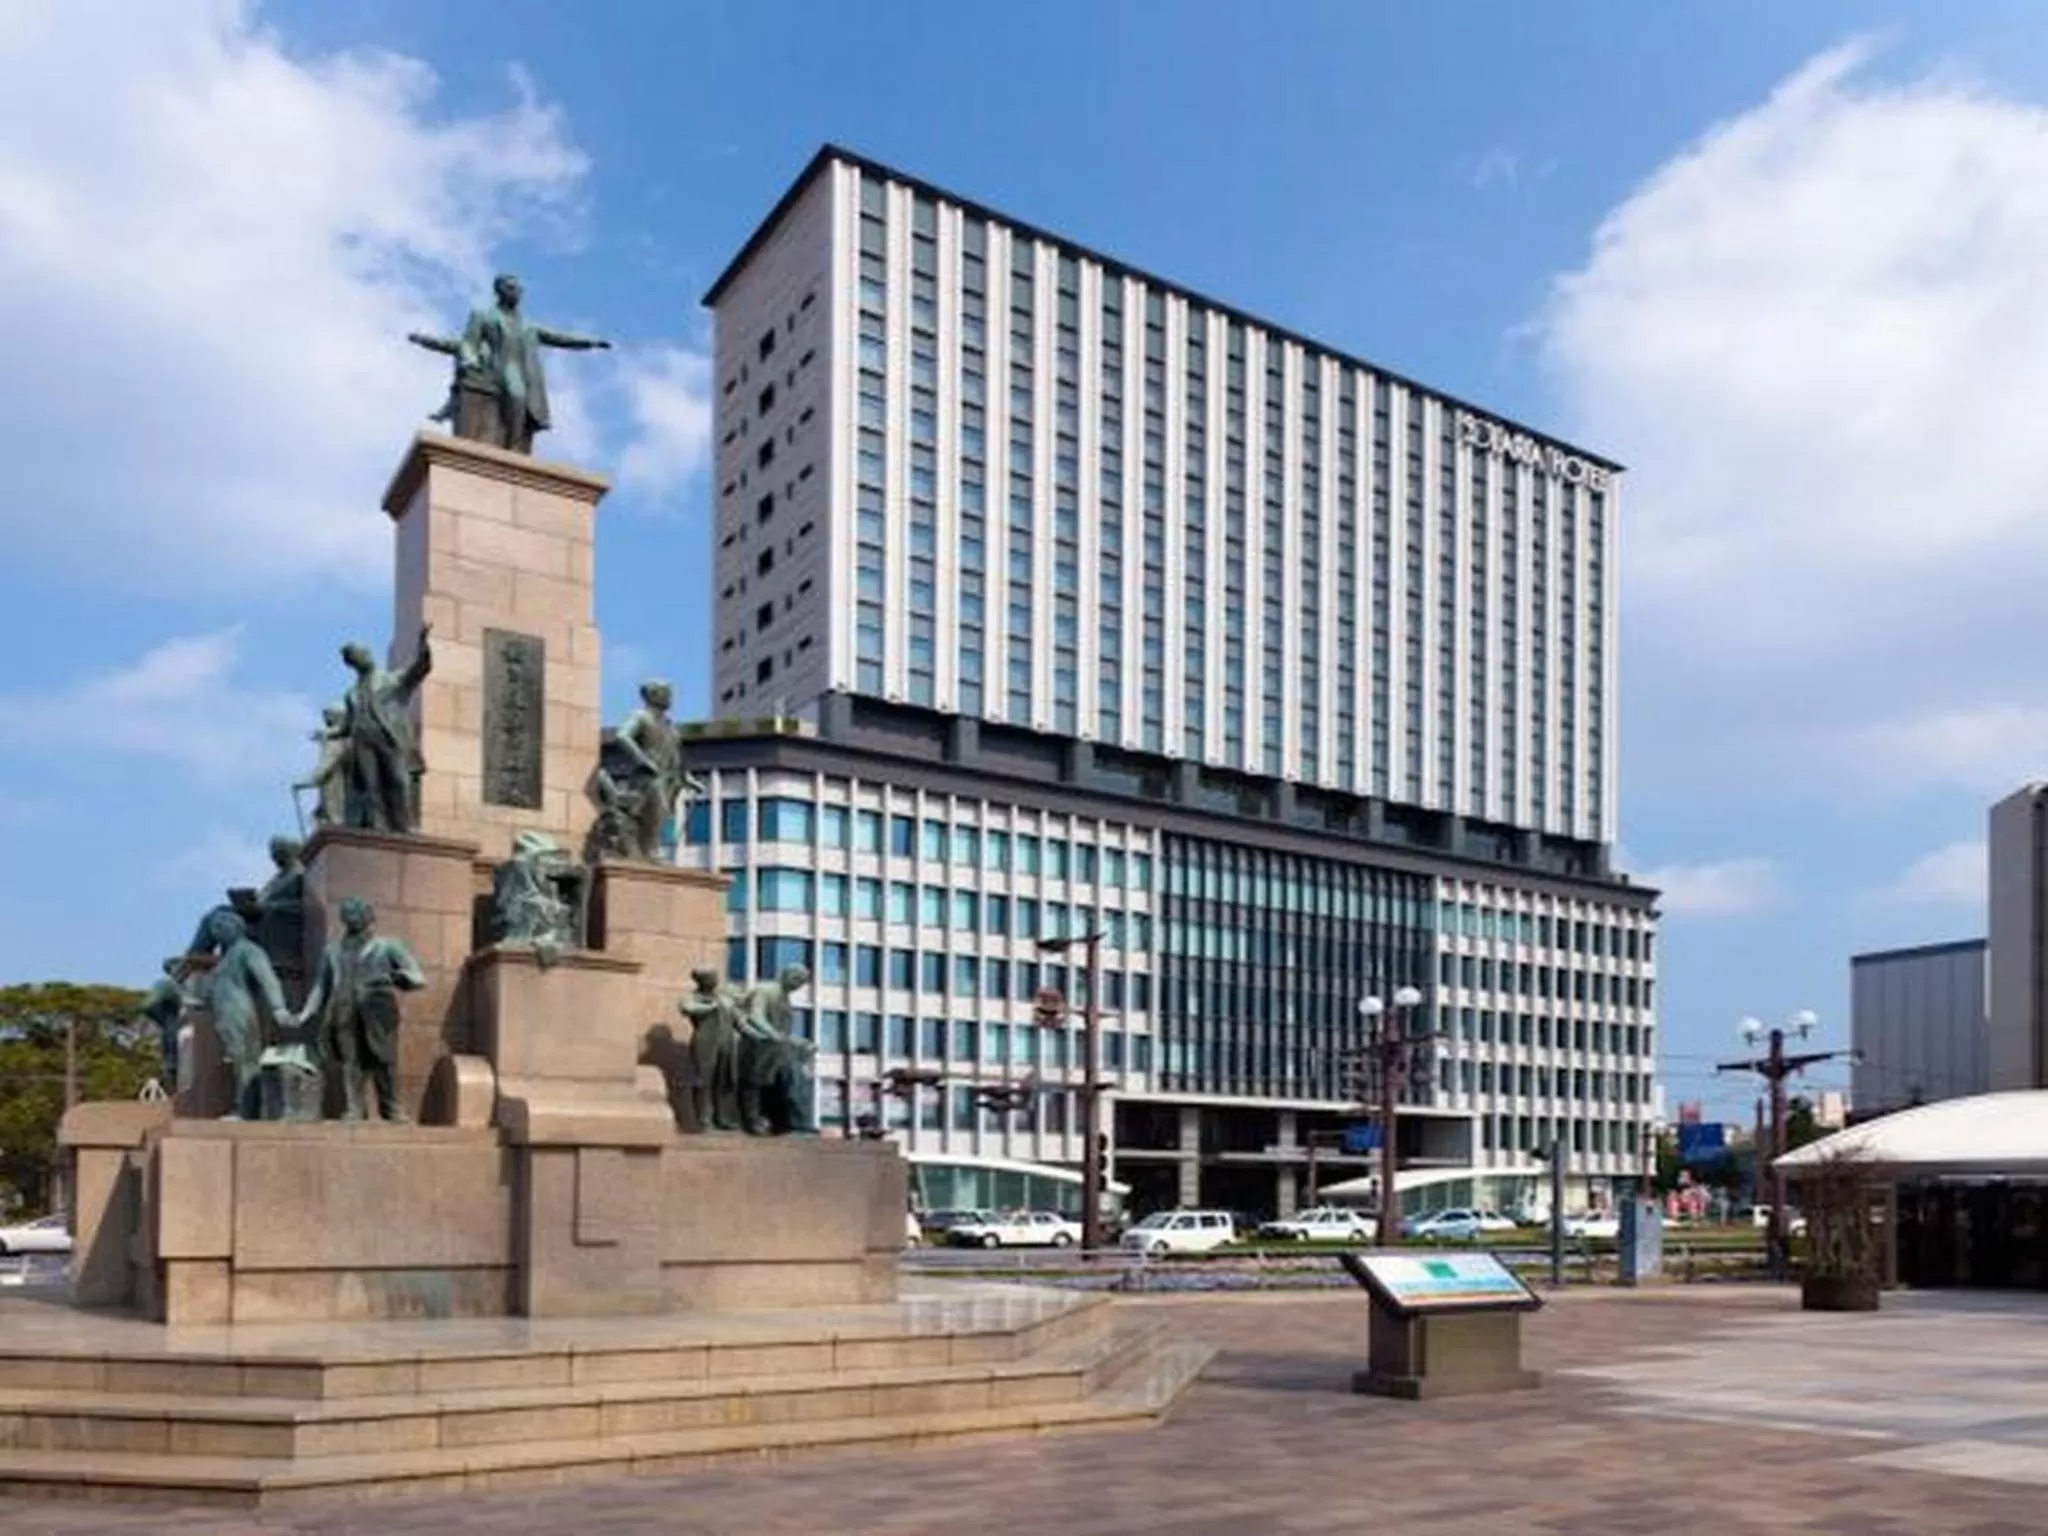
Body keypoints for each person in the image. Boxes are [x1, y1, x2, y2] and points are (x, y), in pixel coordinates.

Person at [299, 897, 426, 1122]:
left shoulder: (388, 946)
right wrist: (306, 1012)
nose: (352, 918)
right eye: (347, 914)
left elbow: (417, 976)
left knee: (384, 1059)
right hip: (343, 1009)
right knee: (351, 1061)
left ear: (368, 916)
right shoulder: (332, 951)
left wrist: (398, 977)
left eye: (357, 913)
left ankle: (391, 1107)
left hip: (378, 1011)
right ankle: (355, 1108)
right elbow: (321, 985)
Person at [456, 274, 611, 454]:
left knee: (523, 398)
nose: (517, 292)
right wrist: (470, 360)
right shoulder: (483, 315)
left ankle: (516, 446)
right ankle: (512, 445)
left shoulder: (529, 326)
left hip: (524, 372)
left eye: (518, 289)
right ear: (499, 291)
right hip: (499, 366)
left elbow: (560, 338)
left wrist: (590, 342)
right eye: (511, 288)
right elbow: (469, 343)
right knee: (517, 395)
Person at [338, 624, 433, 833]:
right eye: (359, 656)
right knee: (371, 787)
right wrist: (329, 734)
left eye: (365, 653)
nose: (366, 657)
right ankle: (378, 827)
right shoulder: (351, 694)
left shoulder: (391, 679)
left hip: (389, 738)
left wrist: (423, 646)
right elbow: (347, 726)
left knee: (398, 780)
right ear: (353, 664)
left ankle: (404, 825)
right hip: (362, 741)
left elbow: (419, 669)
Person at [200, 912, 293, 1119]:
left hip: (238, 1011)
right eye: (214, 928)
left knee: (245, 1061)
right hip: (224, 1015)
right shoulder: (227, 957)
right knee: (238, 1061)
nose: (217, 931)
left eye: (222, 925)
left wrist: (278, 1007)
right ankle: (243, 1107)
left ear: (236, 926)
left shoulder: (248, 949)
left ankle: (245, 1110)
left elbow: (267, 978)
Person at [677, 968, 746, 1131]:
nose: (713, 981)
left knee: (725, 1080)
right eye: (709, 978)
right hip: (705, 1042)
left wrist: (751, 1031)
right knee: (703, 1080)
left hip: (726, 1043)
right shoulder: (692, 997)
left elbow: (740, 1021)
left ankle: (724, 1117)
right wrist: (712, 1006)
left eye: (714, 977)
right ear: (700, 980)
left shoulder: (725, 999)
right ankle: (703, 1118)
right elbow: (688, 1008)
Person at [138, 958, 189, 1090]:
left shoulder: (168, 984)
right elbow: (186, 1002)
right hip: (165, 1013)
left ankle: (172, 1073)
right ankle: (174, 1077)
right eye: (182, 968)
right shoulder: (171, 985)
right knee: (173, 1042)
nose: (185, 972)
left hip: (162, 1013)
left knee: (169, 1040)